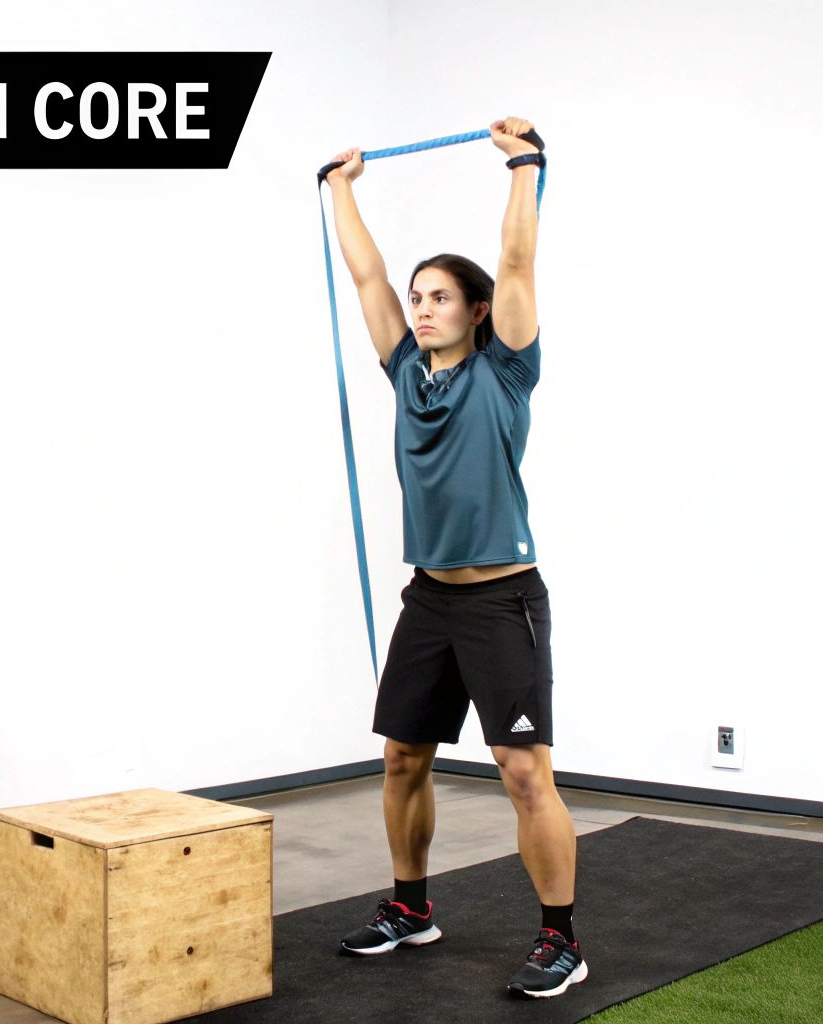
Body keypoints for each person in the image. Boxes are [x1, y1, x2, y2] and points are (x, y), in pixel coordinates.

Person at [322, 116, 584, 999]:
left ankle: (561, 940)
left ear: (477, 312)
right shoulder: (406, 373)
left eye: (440, 297)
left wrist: (525, 166)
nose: (423, 308)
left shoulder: (505, 372)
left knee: (523, 772)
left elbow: (517, 263)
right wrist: (341, 188)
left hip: (503, 600)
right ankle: (411, 907)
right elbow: (365, 275)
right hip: (429, 600)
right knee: (402, 757)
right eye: (418, 297)